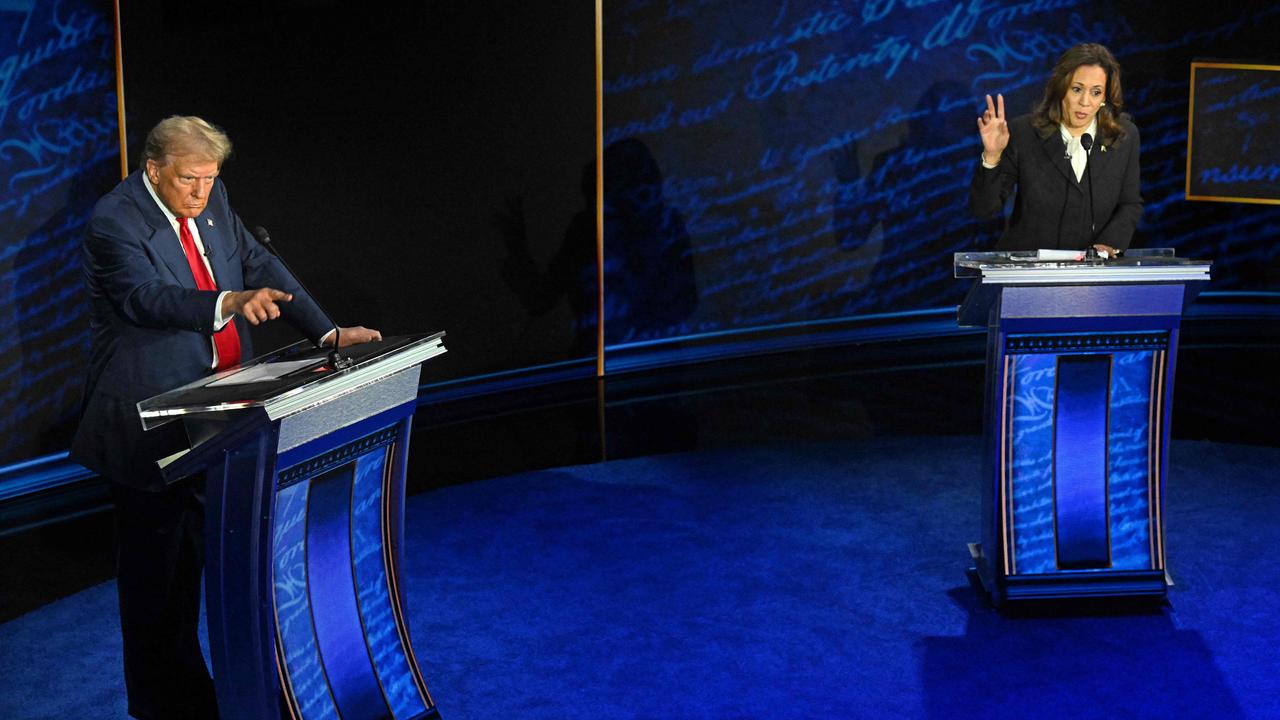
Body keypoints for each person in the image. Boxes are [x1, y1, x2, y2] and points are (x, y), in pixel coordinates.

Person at [70, 116, 380, 719]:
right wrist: (226, 302)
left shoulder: (213, 200)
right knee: (160, 584)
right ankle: (168, 706)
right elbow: (146, 299)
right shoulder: (115, 221)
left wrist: (327, 332)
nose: (203, 193)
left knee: (226, 562)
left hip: (224, 417)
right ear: (153, 169)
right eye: (190, 179)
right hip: (149, 426)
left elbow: (259, 261)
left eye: (211, 179)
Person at [971, 43, 1143, 256]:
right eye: (1077, 89)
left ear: (1105, 97)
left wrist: (1107, 246)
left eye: (1096, 92)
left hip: (1091, 277)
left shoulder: (1123, 136)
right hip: (1028, 272)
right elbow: (984, 210)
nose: (1085, 102)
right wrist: (992, 156)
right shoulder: (1024, 133)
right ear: (1061, 88)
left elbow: (1130, 204)